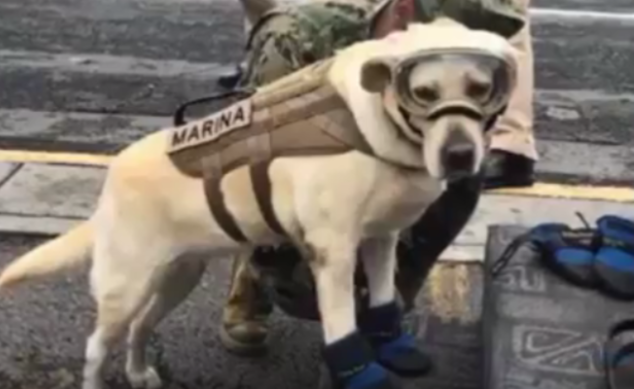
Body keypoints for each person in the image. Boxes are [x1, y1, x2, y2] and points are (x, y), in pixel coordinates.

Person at [214, 0, 534, 371]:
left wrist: (507, 136)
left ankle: (386, 306)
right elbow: (250, 157)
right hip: (296, 171)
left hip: (400, 149)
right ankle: (253, 286)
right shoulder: (296, 35)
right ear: (403, 11)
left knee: (464, 173)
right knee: (306, 272)